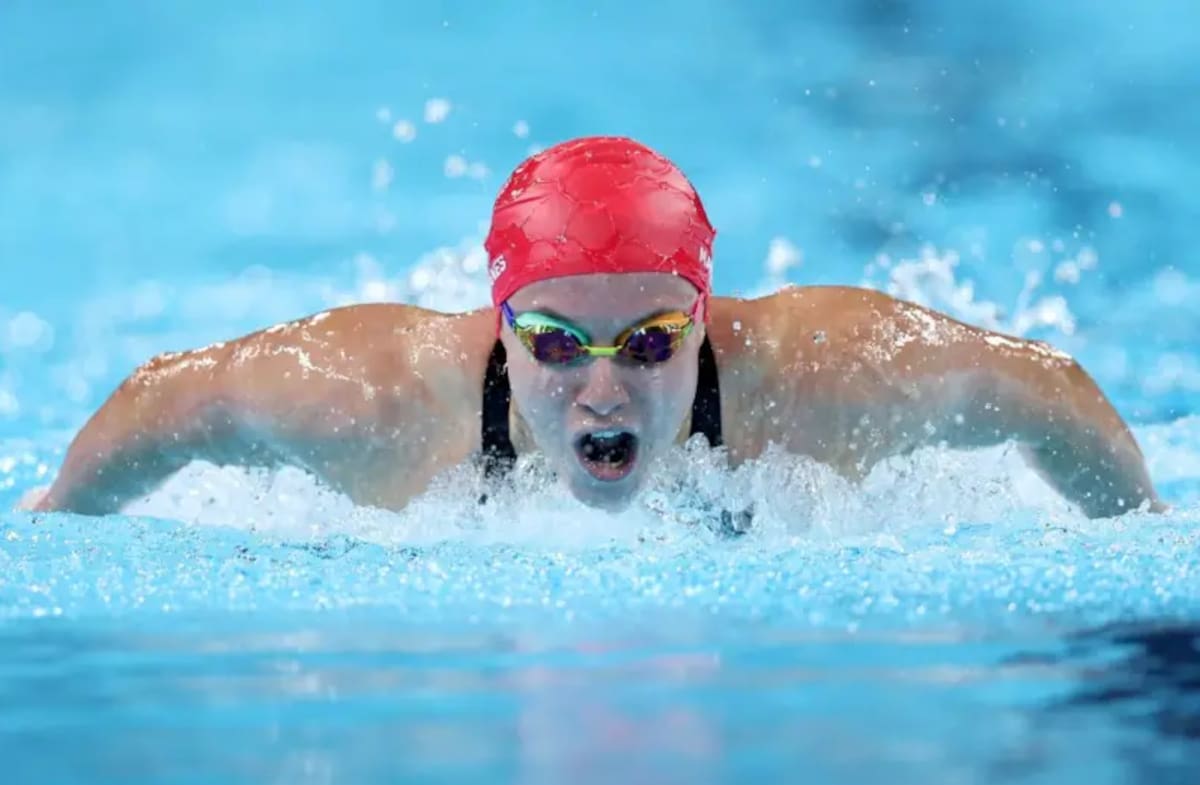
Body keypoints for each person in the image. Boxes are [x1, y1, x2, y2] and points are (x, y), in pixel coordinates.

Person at [26, 135, 1161, 519]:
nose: (603, 390)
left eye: (654, 340)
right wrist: (49, 516)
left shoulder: (826, 379)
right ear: (502, 324)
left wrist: (1146, 530)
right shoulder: (375, 400)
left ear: (706, 319)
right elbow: (175, 397)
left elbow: (1041, 385)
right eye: (559, 344)